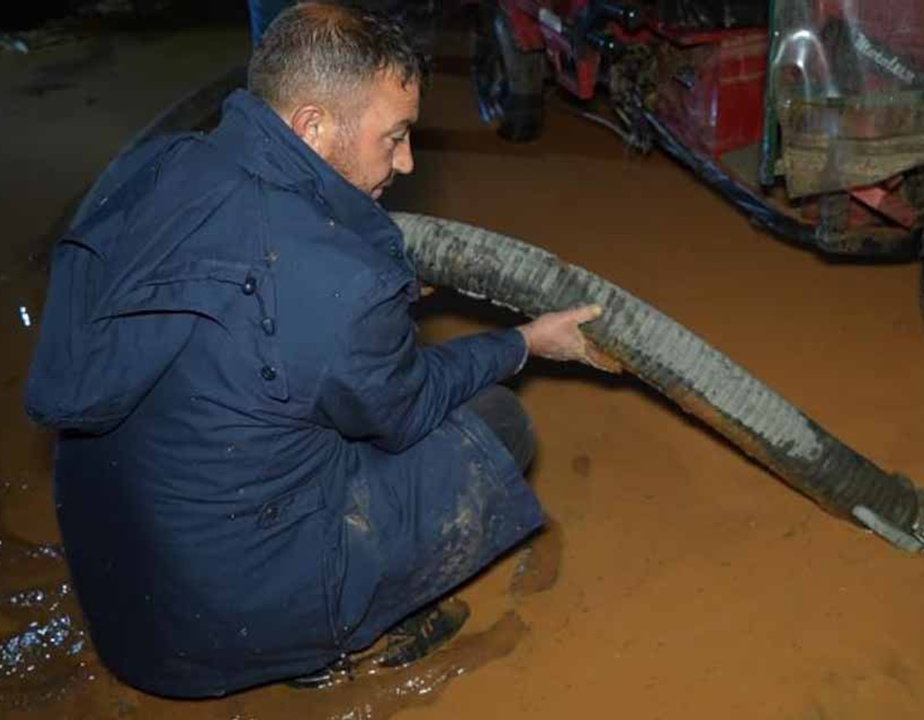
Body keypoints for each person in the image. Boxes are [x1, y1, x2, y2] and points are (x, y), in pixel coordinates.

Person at [24, 1, 600, 698]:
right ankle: (326, 643)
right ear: (313, 126)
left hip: (128, 603)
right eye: (395, 137)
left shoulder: (157, 164)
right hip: (226, 630)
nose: (409, 160)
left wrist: (354, 290)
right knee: (497, 423)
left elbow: (247, 299)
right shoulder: (341, 288)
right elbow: (405, 407)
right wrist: (524, 341)